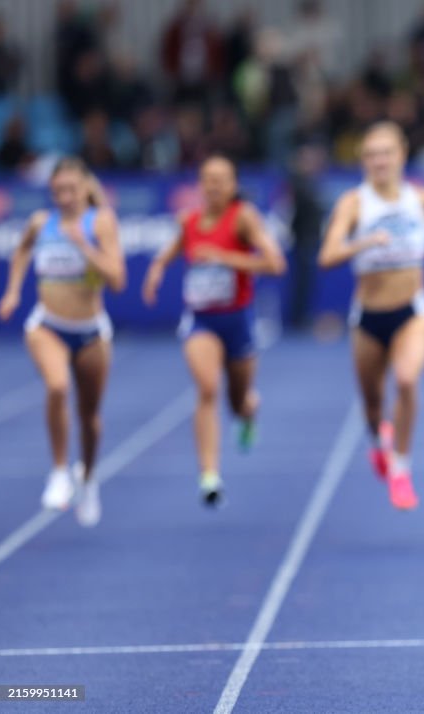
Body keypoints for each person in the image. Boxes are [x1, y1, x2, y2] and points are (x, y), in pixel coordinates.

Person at [318, 121, 424, 510]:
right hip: (367, 316)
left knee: (408, 379)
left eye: (386, 153)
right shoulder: (354, 203)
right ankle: (379, 443)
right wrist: (364, 241)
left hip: (413, 309)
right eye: (372, 155)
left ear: (402, 155)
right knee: (373, 404)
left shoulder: (422, 198)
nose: (379, 161)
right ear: (363, 161)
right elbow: (326, 257)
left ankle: (401, 467)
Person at [142, 154, 286, 505]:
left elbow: (275, 263)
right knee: (207, 388)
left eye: (222, 179)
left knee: (238, 401)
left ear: (234, 185)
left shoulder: (243, 219)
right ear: (200, 185)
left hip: (237, 320)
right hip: (201, 320)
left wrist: (226, 258)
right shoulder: (189, 221)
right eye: (208, 178)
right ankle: (209, 474)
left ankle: (248, 411)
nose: (214, 185)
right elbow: (170, 252)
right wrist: (156, 271)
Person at [0, 157, 124, 527]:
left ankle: (88, 478)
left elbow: (117, 280)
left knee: (90, 417)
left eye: (71, 190)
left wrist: (84, 245)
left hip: (91, 331)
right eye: (57, 192)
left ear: (86, 189)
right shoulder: (41, 222)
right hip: (47, 325)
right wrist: (13, 292)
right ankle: (58, 471)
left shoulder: (101, 222)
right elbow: (21, 251)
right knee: (56, 386)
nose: (64, 198)